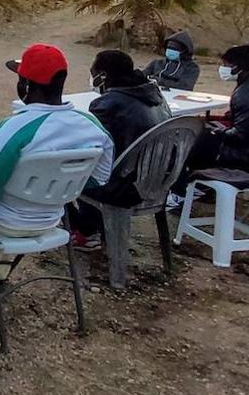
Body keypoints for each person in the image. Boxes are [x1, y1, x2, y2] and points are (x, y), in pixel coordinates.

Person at [0, 45, 115, 289]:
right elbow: (98, 180)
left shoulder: (17, 127)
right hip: (52, 220)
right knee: (13, 190)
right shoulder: (92, 127)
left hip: (4, 224)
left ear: (26, 86)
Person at [68, 50, 172, 250]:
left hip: (124, 189)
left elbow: (90, 148)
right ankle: (93, 227)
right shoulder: (154, 95)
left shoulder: (109, 104)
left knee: (67, 170)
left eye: (93, 72)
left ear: (103, 75)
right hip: (158, 182)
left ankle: (86, 231)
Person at [172, 44, 249, 201]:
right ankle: (202, 187)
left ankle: (182, 193)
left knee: (192, 141)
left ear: (238, 67)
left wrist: (215, 131)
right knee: (204, 133)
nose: (223, 68)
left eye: (226, 65)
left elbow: (240, 136)